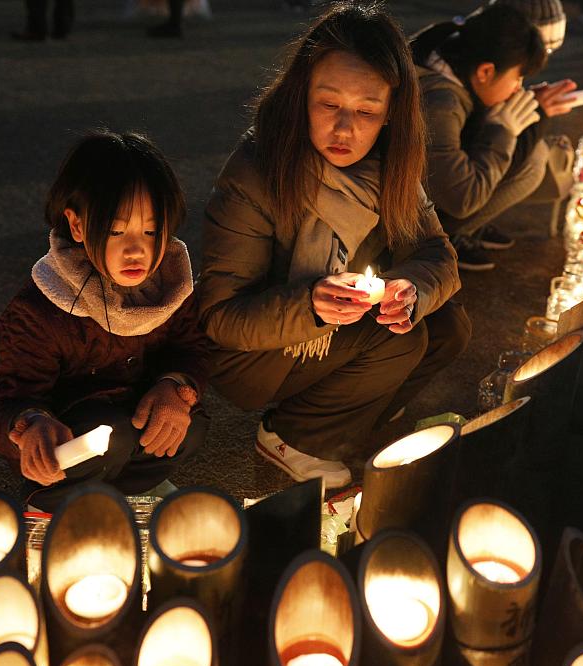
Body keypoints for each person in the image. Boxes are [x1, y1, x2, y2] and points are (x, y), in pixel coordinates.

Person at [199, 2, 470, 490]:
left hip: (331, 330)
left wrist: (411, 289)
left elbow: (439, 255)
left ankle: (352, 424)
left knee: (446, 323)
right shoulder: (257, 173)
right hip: (251, 353)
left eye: (367, 112)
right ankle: (291, 438)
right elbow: (221, 319)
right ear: (300, 95)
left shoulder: (390, 165)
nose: (345, 129)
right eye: (328, 105)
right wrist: (311, 304)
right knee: (399, 338)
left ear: (391, 115)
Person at [0, 131, 210, 512]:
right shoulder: (45, 306)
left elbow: (190, 346)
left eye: (151, 231)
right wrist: (31, 423)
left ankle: (127, 490)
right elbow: (5, 394)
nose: (136, 248)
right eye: (117, 231)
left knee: (190, 427)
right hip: (71, 428)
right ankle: (49, 503)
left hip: (135, 411)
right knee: (110, 437)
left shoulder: (169, 285)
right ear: (78, 225)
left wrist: (175, 386)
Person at [412, 4, 576, 271]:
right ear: (486, 71)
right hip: (401, 223)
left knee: (528, 148)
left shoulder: (444, 46)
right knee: (533, 160)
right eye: (517, 77)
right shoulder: (441, 105)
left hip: (427, 194)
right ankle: (435, 243)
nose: (517, 88)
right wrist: (503, 132)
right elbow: (463, 199)